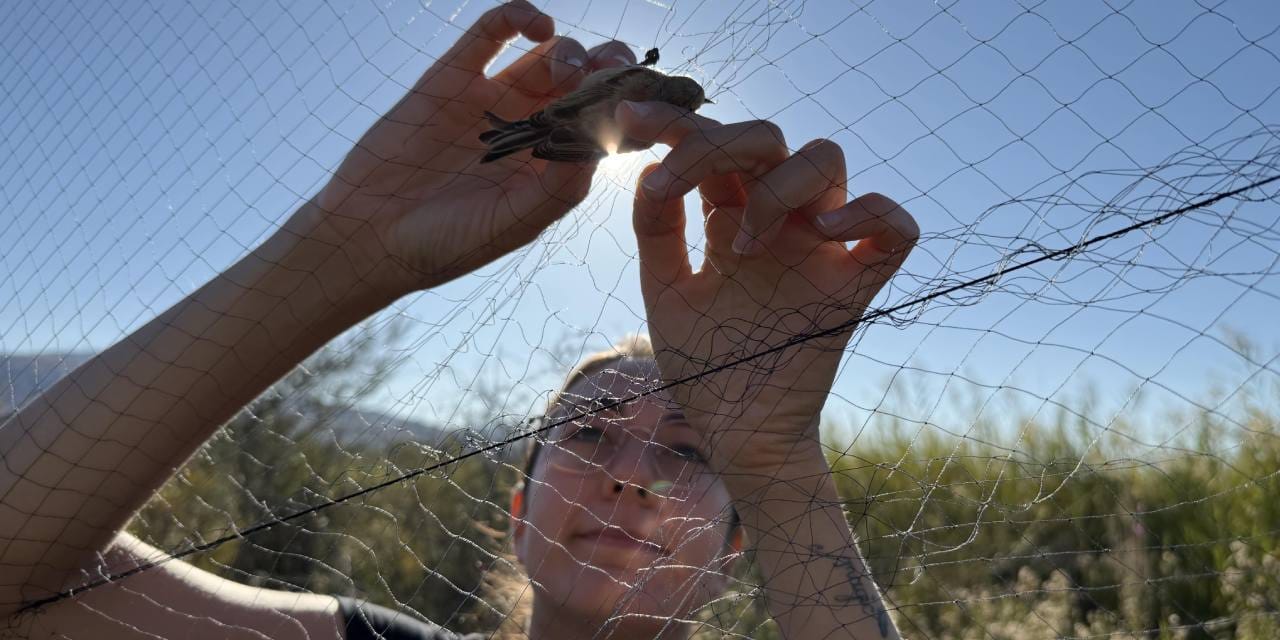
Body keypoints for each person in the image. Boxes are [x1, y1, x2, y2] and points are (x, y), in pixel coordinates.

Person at [0, 1, 918, 638]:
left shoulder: (767, 480)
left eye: (689, 451)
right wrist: (342, 249)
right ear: (517, 511)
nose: (630, 476)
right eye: (590, 433)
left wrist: (774, 461)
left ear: (734, 550)